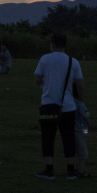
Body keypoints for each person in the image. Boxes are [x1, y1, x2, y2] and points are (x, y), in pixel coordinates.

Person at [34, 33, 85, 180]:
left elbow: (37, 79)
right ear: (64, 44)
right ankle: (70, 170)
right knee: (68, 138)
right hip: (68, 107)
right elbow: (80, 85)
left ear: (52, 44)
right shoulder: (72, 61)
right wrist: (80, 101)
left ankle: (49, 170)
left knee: (47, 138)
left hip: (48, 106)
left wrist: (46, 86)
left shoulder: (45, 59)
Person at [73, 97, 91, 177]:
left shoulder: (68, 102)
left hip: (70, 130)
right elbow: (84, 115)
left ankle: (75, 169)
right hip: (79, 130)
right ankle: (81, 172)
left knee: (76, 152)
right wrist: (88, 123)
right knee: (83, 153)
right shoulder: (79, 104)